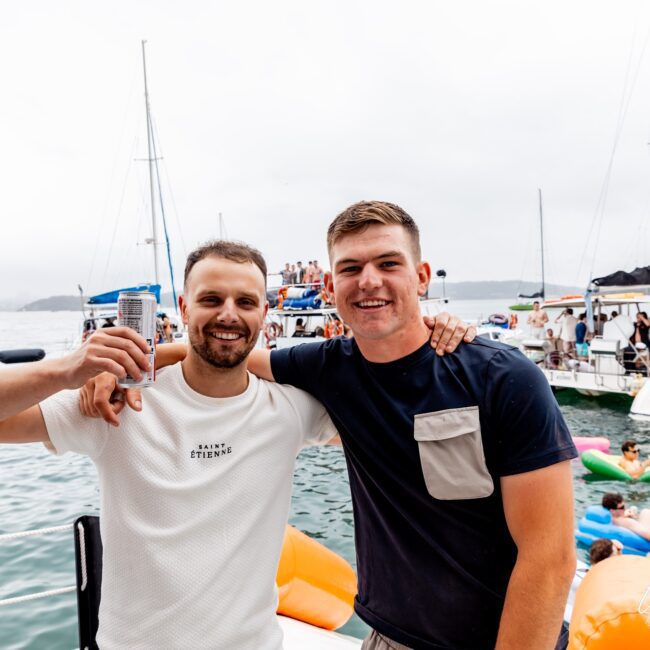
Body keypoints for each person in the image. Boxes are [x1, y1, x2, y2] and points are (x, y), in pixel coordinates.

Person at [105, 202, 576, 649]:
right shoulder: (329, 368)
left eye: (388, 264)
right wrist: (124, 365)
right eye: (351, 268)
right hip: (387, 636)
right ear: (331, 287)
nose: (369, 281)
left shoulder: (503, 378)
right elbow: (228, 352)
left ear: (422, 277)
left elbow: (549, 559)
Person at [0, 242, 343, 649]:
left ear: (264, 314)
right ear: (183, 308)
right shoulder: (119, 402)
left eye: (246, 301)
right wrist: (65, 370)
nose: (229, 313)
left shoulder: (289, 407)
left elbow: (389, 425)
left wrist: (436, 334)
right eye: (211, 299)